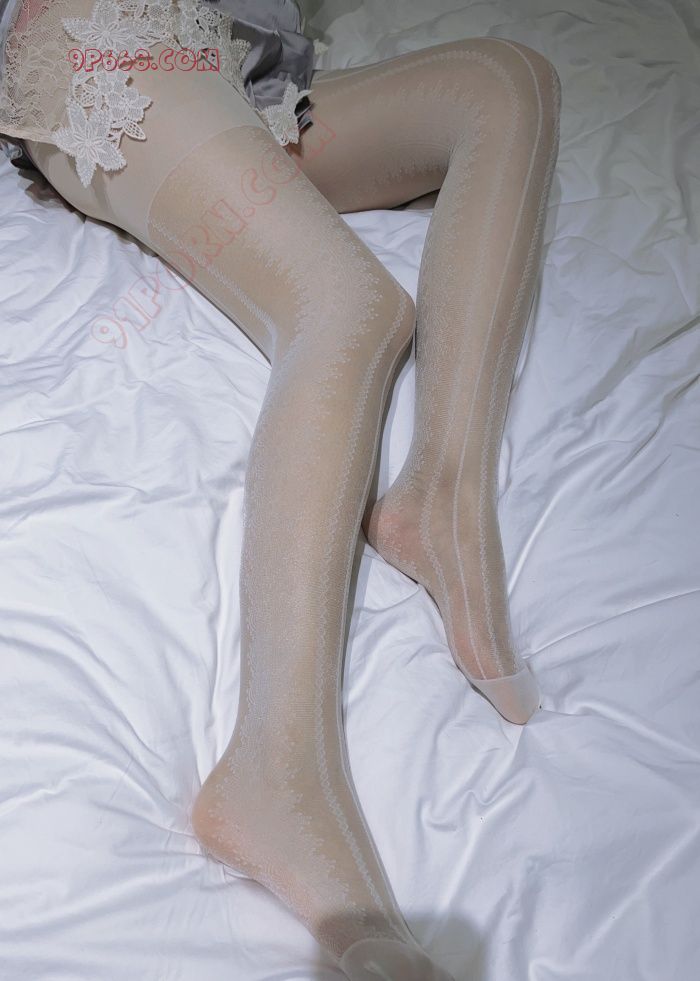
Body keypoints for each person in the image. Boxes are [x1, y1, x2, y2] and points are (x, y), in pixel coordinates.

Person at [0, 1, 561, 977]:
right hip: (113, 38)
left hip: (235, 66)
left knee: (504, 82)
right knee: (347, 305)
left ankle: (441, 490)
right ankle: (275, 764)